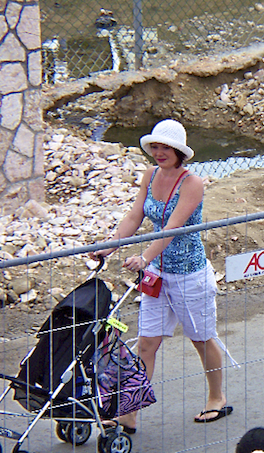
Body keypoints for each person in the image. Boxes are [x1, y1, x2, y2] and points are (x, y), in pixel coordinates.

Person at [91, 119, 233, 429]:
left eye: (165, 147)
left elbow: (172, 228)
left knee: (201, 339)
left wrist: (144, 256)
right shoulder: (150, 175)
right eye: (154, 146)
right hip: (157, 274)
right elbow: (134, 215)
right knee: (146, 343)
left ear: (179, 151)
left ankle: (217, 397)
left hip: (188, 274)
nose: (158, 152)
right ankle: (129, 412)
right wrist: (110, 248)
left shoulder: (192, 183)